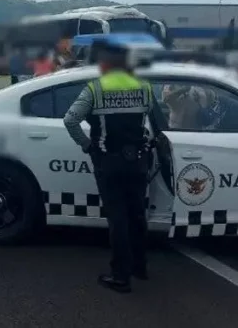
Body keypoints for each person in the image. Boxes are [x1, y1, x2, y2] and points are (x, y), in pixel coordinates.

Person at [62, 40, 166, 293]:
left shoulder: (95, 89)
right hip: (138, 159)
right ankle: (140, 267)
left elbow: (71, 119)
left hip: (109, 160)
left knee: (117, 218)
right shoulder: (144, 87)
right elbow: (153, 115)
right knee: (137, 215)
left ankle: (120, 276)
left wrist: (87, 145)